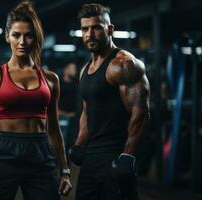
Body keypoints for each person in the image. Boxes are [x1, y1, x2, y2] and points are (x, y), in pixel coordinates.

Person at [0, 1, 72, 200]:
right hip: (6, 152)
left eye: (28, 35)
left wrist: (65, 171)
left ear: (35, 38)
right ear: (7, 36)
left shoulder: (51, 79)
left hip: (41, 153)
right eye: (16, 35)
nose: (22, 41)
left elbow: (54, 129)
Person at [68, 3, 150, 200]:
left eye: (96, 27)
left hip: (116, 154)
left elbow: (140, 113)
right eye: (85, 29)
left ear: (109, 29)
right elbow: (88, 111)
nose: (89, 34)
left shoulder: (124, 64)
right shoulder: (85, 69)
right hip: (92, 158)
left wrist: (128, 155)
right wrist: (80, 143)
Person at [58, 62, 78, 151]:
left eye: (75, 69)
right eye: (72, 69)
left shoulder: (75, 85)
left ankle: (68, 162)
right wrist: (58, 112)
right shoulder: (58, 83)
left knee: (71, 140)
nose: (74, 71)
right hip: (61, 116)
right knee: (62, 140)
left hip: (73, 116)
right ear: (65, 70)